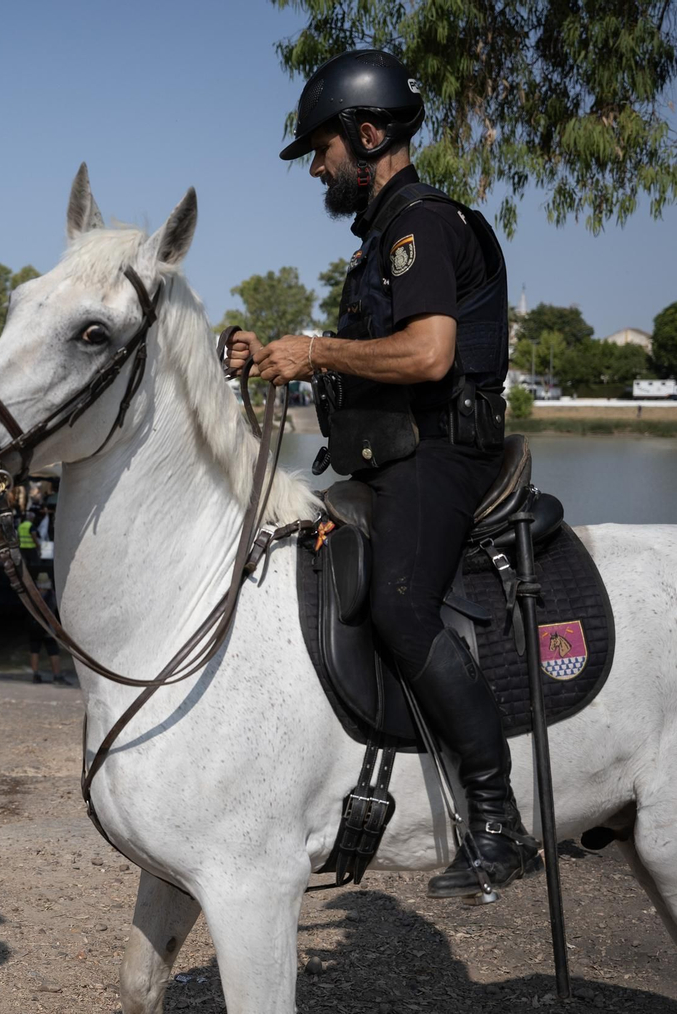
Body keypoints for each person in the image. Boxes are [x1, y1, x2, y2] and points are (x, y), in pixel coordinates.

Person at [226, 50, 525, 899]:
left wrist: (316, 348)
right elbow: (374, 359)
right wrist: (280, 353)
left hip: (440, 456)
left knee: (399, 602)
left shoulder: (417, 225)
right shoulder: (385, 237)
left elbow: (429, 355)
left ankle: (497, 821)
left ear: (367, 133)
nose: (317, 165)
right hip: (389, 455)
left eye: (321, 147)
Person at [27, 573, 67, 685]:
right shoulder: (52, 595)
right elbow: (56, 609)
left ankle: (35, 675)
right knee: (53, 651)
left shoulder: (32, 595)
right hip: (48, 629)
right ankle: (57, 675)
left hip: (35, 627)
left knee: (34, 651)